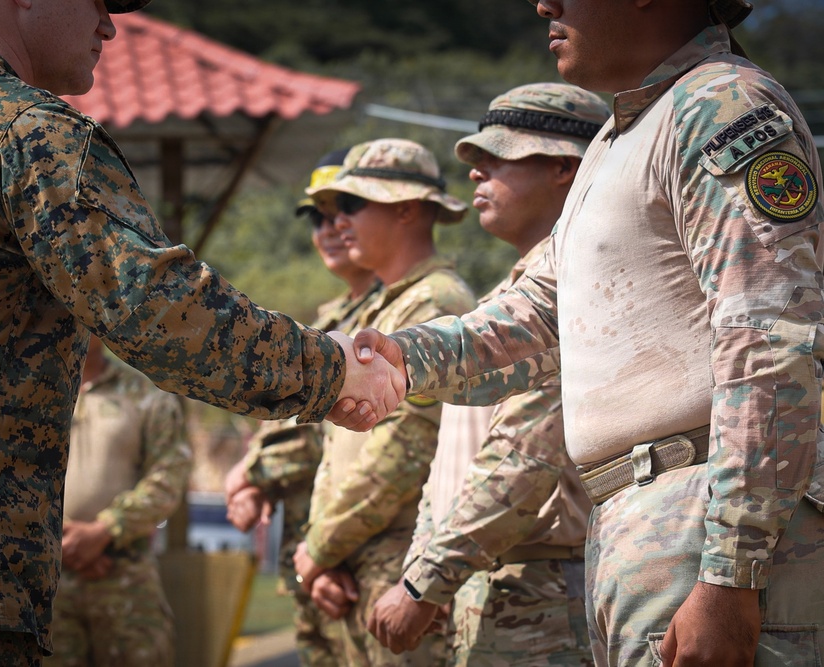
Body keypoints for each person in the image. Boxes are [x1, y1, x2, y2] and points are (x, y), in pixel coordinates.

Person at [0, 0, 401, 663]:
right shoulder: (27, 130)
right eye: (96, 0)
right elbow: (157, 306)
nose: (109, 26)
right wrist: (330, 371)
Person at [342, 0, 824, 665]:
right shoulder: (617, 140)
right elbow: (538, 319)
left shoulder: (723, 105)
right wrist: (398, 358)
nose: (546, 3)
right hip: (641, 519)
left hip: (703, 515)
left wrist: (730, 567)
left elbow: (769, 341)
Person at [367, 83, 608, 666]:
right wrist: (429, 569)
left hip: (540, 591)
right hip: (480, 579)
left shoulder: (576, 296)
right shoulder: (504, 302)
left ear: (564, 169)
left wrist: (426, 579)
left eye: (499, 156)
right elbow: (450, 464)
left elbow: (526, 458)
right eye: (475, 161)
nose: (477, 173)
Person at [293, 138, 477, 666]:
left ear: (406, 209)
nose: (336, 220)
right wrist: (325, 553)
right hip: (354, 553)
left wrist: (321, 549)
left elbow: (405, 449)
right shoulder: (383, 305)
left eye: (352, 204)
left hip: (396, 555)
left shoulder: (435, 302)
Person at [224, 147, 381, 666]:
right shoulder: (332, 316)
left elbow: (362, 439)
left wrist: (257, 474)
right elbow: (298, 423)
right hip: (317, 550)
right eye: (319, 217)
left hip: (361, 554)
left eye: (347, 210)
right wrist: (255, 472)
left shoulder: (396, 318)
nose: (332, 228)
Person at [45, 335, 191, 667]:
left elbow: (169, 475)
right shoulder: (28, 394)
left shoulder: (145, 396)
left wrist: (104, 531)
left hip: (124, 578)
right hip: (43, 586)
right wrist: (60, 542)